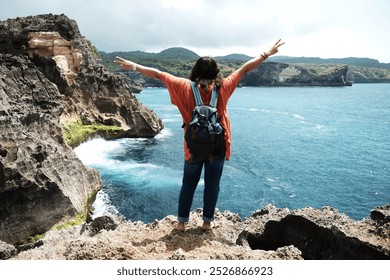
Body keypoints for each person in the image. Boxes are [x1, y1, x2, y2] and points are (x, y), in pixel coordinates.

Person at [115, 39, 285, 231]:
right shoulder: (224, 87)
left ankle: (181, 223)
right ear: (216, 73)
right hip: (217, 146)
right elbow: (244, 69)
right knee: (212, 184)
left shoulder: (183, 86)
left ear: (195, 71)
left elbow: (159, 74)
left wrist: (135, 66)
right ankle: (207, 222)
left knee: (188, 184)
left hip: (193, 147)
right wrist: (267, 54)